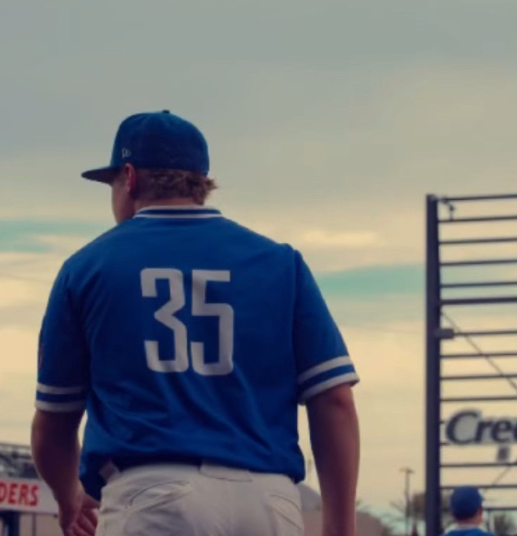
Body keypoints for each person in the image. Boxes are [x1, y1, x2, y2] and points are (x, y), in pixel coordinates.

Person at [30, 110, 361, 536]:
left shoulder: (87, 267)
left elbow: (53, 426)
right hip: (270, 503)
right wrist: (340, 529)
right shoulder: (281, 262)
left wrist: (68, 495)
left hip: (152, 498)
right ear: (200, 181)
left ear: (129, 178)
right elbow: (335, 402)